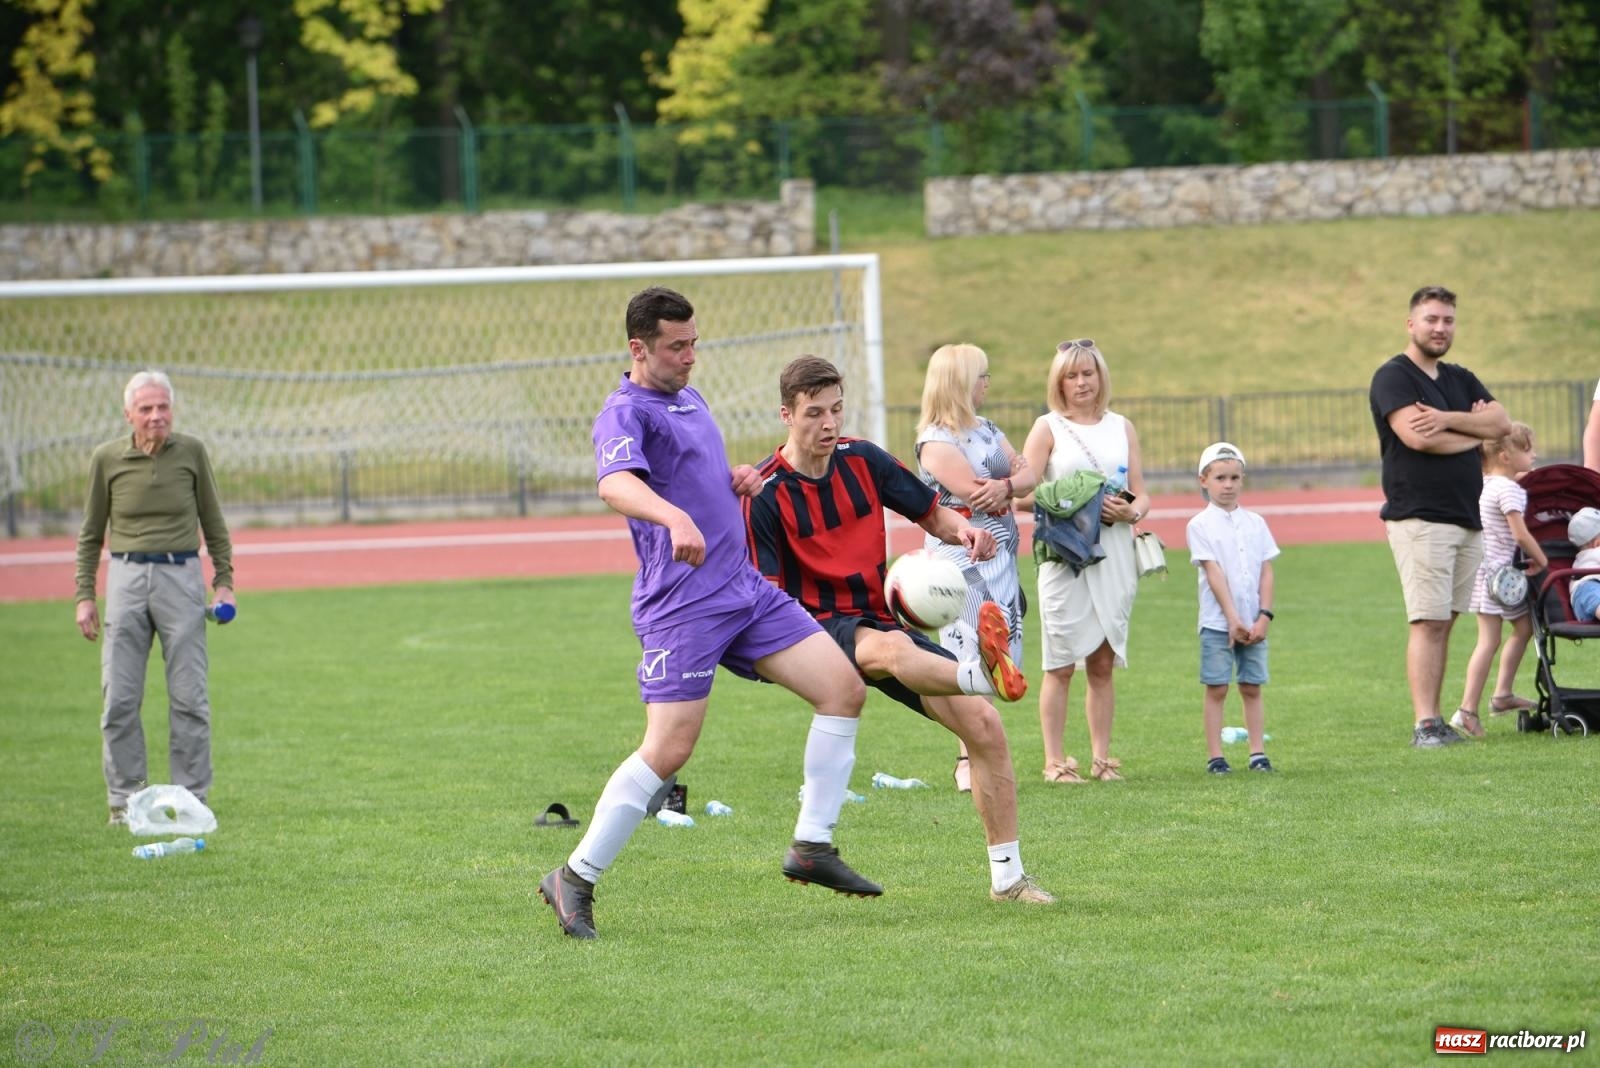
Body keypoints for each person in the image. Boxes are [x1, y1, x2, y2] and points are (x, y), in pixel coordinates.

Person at [538, 288, 880, 942]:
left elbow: (689, 475)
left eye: (694, 342)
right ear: (639, 348)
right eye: (677, 346)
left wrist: (733, 482)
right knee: (669, 748)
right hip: (682, 605)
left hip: (743, 591)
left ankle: (812, 846)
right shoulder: (624, 412)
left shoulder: (688, 398)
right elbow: (616, 484)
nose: (691, 356)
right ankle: (574, 878)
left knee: (842, 689)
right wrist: (672, 517)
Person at [746, 355, 1054, 905]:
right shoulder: (767, 493)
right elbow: (766, 591)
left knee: (983, 728)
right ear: (786, 415)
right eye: (814, 413)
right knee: (887, 650)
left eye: (836, 410)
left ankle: (1008, 879)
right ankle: (983, 674)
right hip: (812, 627)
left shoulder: (863, 460)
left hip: (878, 614)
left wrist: (965, 534)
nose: (829, 424)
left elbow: (933, 513)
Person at [74, 371, 235, 826]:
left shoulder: (192, 453)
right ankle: (125, 802)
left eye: (163, 406)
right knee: (119, 698)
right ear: (129, 415)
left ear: (172, 410)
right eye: (146, 408)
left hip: (181, 575)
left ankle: (191, 798)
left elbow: (215, 523)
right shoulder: (107, 459)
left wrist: (224, 581)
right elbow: (89, 535)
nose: (156, 415)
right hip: (125, 577)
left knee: (189, 697)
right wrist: (85, 594)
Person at [1369, 285, 1512, 748]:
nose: (1440, 328)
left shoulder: (1459, 377)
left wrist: (1448, 419)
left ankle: (1434, 722)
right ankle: (1425, 723)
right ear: (1411, 323)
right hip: (1420, 515)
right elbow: (1418, 439)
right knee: (1428, 620)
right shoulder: (1393, 377)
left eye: (1448, 320)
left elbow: (1500, 425)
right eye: (1431, 319)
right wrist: (1472, 429)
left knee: (1446, 620)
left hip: (1466, 517)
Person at [1020, 339, 1149, 783]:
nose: (1081, 383)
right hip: (1064, 555)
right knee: (1058, 663)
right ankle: (1055, 762)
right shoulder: (1047, 428)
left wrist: (1132, 510)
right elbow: (1021, 494)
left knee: (1102, 662)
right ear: (1059, 382)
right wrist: (1071, 502)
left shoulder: (1122, 427)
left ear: (1100, 377)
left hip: (1113, 552)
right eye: (1072, 376)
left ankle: (1101, 759)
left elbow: (1140, 491)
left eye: (1088, 374)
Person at [913, 343, 1036, 793]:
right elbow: (970, 493)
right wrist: (1008, 487)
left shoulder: (987, 428)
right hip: (961, 556)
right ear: (961, 382)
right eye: (982, 375)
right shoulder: (935, 440)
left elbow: (1027, 476)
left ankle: (984, 750)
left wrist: (1006, 484)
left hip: (1001, 552)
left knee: (998, 657)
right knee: (969, 654)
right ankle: (967, 757)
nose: (988, 383)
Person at [1186, 442, 1279, 774]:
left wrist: (1264, 616)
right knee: (1217, 686)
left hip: (1254, 621)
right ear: (1204, 480)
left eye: (1234, 478)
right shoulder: (1200, 525)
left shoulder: (1256, 523)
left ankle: (1257, 753)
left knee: (1252, 686)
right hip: (1217, 622)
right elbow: (1214, 572)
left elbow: (1266, 570)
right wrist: (1232, 619)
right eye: (1220, 478)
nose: (1228, 485)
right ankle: (1216, 756)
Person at [1453, 423, 1548, 737]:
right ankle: (1467, 710)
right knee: (1490, 641)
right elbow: (1519, 534)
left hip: (1484, 572)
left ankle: (1503, 695)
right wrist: (1542, 559)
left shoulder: (1485, 483)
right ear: (1506, 456)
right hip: (1499, 578)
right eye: (1528, 449)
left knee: (1522, 628)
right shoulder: (1508, 490)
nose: (1534, 454)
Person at [1565, 507, 1600, 623]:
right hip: (1586, 588)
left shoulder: (1582, 558)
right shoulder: (1596, 553)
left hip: (1582, 598)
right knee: (1594, 594)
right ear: (1597, 543)